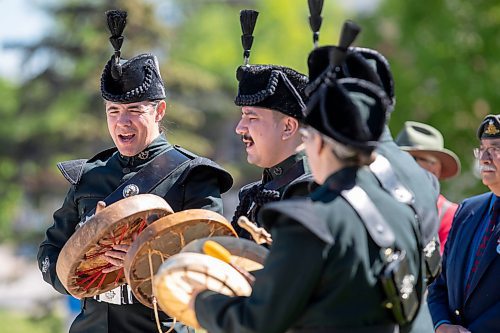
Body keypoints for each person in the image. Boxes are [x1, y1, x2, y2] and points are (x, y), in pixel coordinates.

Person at [37, 10, 232, 333]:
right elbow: (50, 253)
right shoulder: (90, 175)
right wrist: (83, 268)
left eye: (134, 111)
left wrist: (142, 260)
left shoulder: (192, 176)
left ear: (159, 111)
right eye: (113, 111)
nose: (121, 122)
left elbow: (208, 265)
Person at [191, 73, 426, 332]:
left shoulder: (308, 220)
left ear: (320, 142)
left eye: (309, 136)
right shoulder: (403, 213)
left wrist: (199, 300)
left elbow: (258, 322)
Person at [230, 9, 312, 239]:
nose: (240, 128)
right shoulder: (251, 195)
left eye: (252, 117)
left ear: (288, 127)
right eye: (242, 116)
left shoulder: (312, 193)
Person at [428, 114, 500, 333]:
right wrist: (443, 325)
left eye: (496, 149)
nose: (485, 158)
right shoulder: (468, 209)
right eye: (482, 149)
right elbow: (440, 285)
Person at [395, 121, 461, 252]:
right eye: (398, 158)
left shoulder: (451, 215)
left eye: (413, 158)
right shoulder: (383, 200)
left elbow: (445, 267)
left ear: (435, 169)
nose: (400, 164)